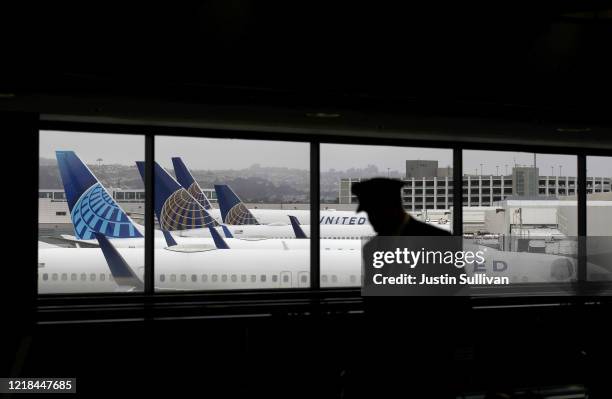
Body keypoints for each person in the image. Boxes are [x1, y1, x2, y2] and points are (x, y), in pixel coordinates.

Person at [340, 178, 470, 398]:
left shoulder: (437, 240)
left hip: (429, 355)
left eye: (373, 213)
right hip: (388, 358)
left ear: (390, 208)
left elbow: (457, 302)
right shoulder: (372, 248)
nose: (371, 221)